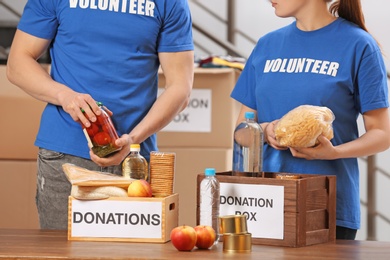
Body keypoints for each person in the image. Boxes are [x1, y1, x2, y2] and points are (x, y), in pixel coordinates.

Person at [6, 0, 194, 230]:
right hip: (64, 156)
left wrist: (133, 139)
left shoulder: (170, 3)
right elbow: (17, 62)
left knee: (130, 254)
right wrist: (65, 96)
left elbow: (180, 88)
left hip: (133, 162)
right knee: (61, 252)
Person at [231, 0, 390, 240]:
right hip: (265, 203)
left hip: (326, 207)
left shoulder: (359, 45)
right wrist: (265, 130)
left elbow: (382, 134)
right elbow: (240, 132)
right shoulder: (267, 45)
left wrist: (333, 152)